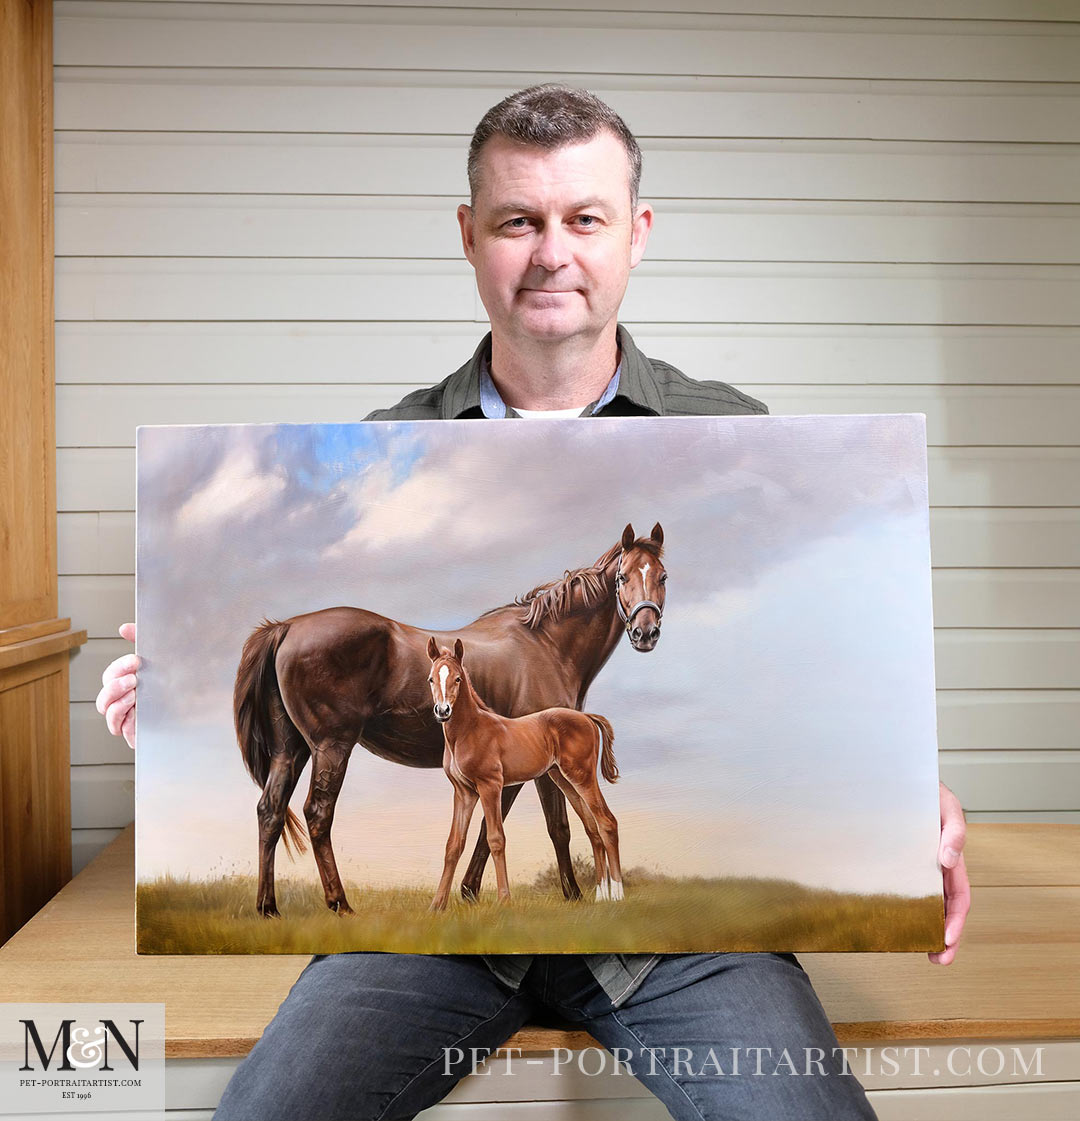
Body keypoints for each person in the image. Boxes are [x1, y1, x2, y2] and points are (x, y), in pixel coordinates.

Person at [96, 85, 970, 1121]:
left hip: (685, 956)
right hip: (430, 959)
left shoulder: (741, 427)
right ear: (471, 237)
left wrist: (908, 798)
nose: (553, 251)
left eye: (584, 218)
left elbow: (842, 668)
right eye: (519, 221)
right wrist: (166, 705)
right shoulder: (389, 431)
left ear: (636, 234)